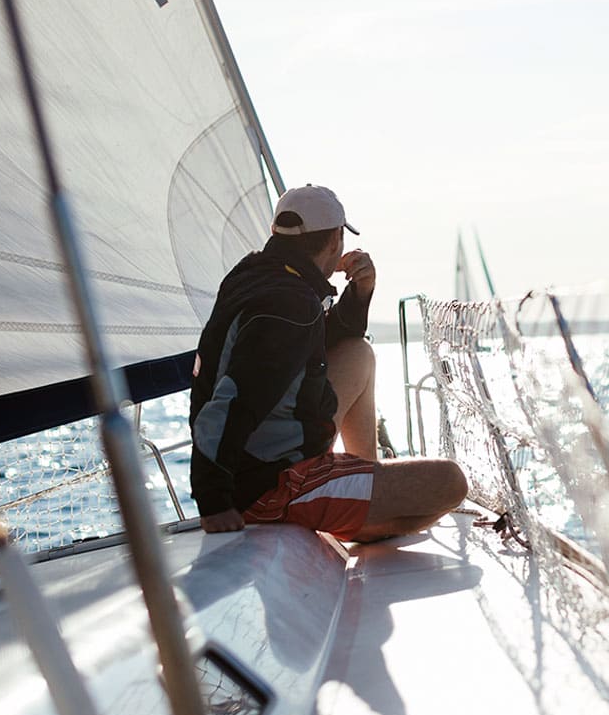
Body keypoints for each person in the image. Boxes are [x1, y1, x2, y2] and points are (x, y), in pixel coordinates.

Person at [189, 185, 467, 541]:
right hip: (272, 483)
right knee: (449, 482)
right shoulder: (288, 305)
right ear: (336, 239)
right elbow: (230, 403)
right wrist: (215, 503)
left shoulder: (261, 275)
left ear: (276, 234)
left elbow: (319, 338)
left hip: (271, 452)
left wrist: (360, 291)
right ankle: (362, 512)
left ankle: (363, 479)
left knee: (357, 352)